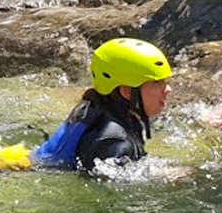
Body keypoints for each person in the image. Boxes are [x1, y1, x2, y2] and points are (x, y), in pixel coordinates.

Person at [30, 38, 173, 175]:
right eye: (157, 83)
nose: (167, 89)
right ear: (127, 90)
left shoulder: (100, 105)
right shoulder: (115, 142)